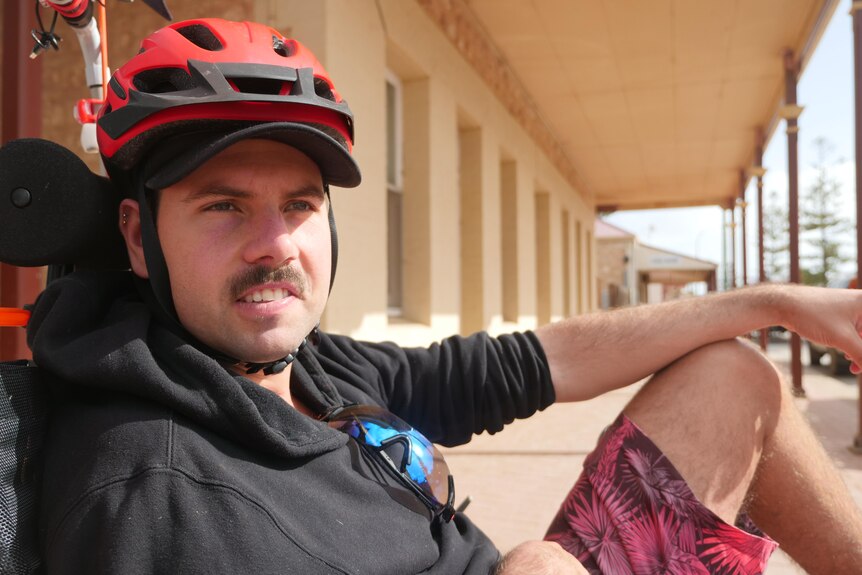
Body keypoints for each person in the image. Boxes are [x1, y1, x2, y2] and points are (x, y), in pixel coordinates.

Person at [26, 17, 862, 575]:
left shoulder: (313, 370)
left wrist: (775, 301)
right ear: (138, 235)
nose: (273, 243)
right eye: (223, 205)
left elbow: (539, 360)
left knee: (735, 375)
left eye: (300, 206)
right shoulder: (159, 489)